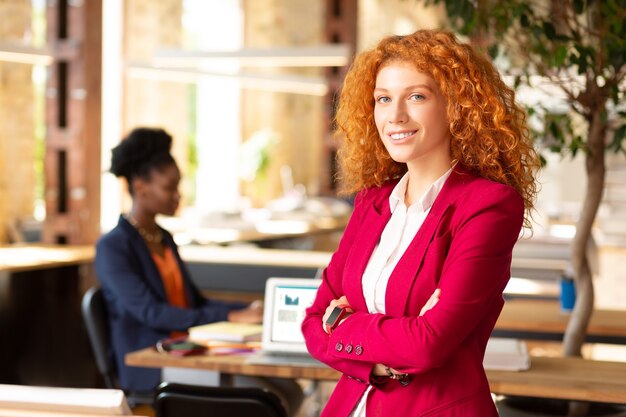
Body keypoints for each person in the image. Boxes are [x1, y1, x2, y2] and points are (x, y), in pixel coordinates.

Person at [301, 29, 540, 417]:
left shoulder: (488, 205)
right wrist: (380, 358)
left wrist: (343, 323)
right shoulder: (372, 201)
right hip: (353, 405)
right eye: (383, 99)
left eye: (416, 96)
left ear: (456, 105)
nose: (395, 115)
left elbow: (429, 343)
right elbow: (313, 324)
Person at [95, 127, 302, 414]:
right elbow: (151, 313)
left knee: (291, 391)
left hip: (189, 352)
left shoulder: (163, 238)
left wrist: (249, 310)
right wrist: (230, 315)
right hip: (154, 364)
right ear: (140, 185)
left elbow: (194, 303)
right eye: (169, 187)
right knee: (269, 400)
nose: (177, 196)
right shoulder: (114, 247)